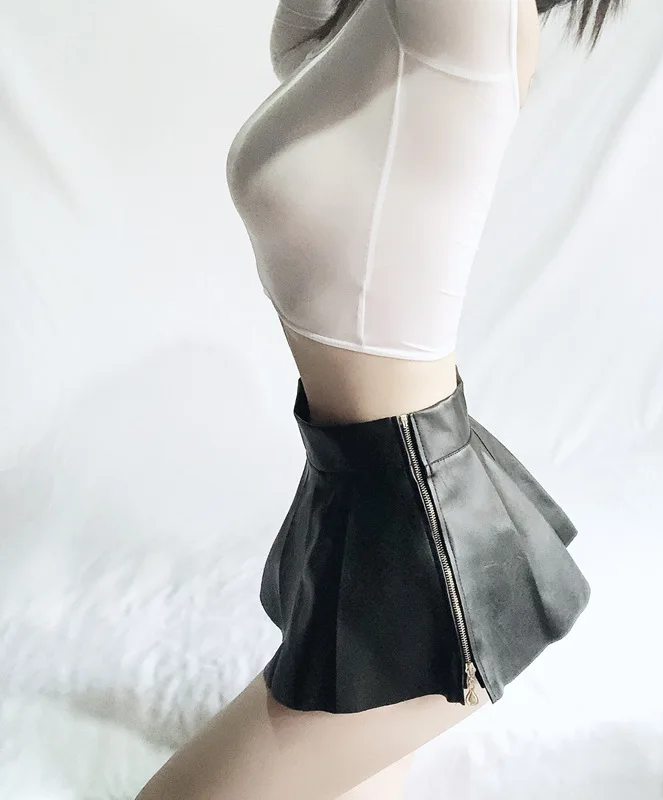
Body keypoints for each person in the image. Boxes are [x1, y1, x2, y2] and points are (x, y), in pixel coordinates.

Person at [135, 1, 619, 798]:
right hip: (364, 493)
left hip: (417, 534)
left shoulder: (467, 20)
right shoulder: (410, 35)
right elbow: (303, 48)